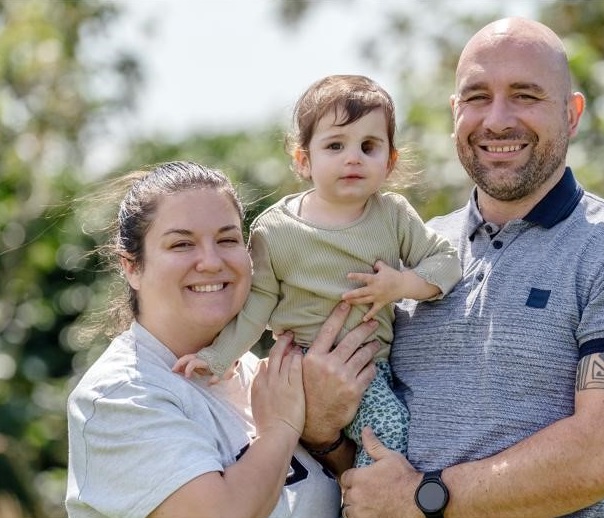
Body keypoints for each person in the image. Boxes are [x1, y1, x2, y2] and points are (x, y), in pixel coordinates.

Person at [336, 17, 604, 517]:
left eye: (525, 95)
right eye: (477, 96)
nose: (497, 120)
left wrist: (422, 496)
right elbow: (358, 435)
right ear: (455, 111)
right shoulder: (407, 252)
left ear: (572, 115)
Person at [173, 75, 462, 467]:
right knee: (389, 427)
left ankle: (363, 501)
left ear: (390, 161)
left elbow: (447, 262)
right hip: (297, 366)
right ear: (303, 160)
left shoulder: (392, 215)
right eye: (335, 146)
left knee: (397, 433)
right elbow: (258, 303)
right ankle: (369, 506)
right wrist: (220, 356)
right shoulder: (275, 230)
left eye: (369, 146)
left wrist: (400, 284)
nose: (353, 157)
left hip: (367, 367)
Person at [65, 161, 378, 518]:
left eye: (227, 240)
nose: (211, 262)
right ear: (132, 267)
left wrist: (325, 435)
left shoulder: (263, 374)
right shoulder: (119, 396)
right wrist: (281, 429)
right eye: (182, 244)